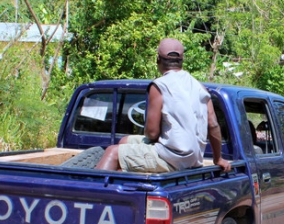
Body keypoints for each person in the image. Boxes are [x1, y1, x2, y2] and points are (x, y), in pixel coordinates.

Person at [95, 38, 232, 174]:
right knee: (125, 141)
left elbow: (152, 133)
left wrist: (160, 132)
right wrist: (217, 158)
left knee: (112, 153)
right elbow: (213, 124)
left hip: (171, 158)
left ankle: (89, 194)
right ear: (182, 60)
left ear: (158, 60)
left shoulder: (160, 85)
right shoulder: (200, 87)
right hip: (194, 158)